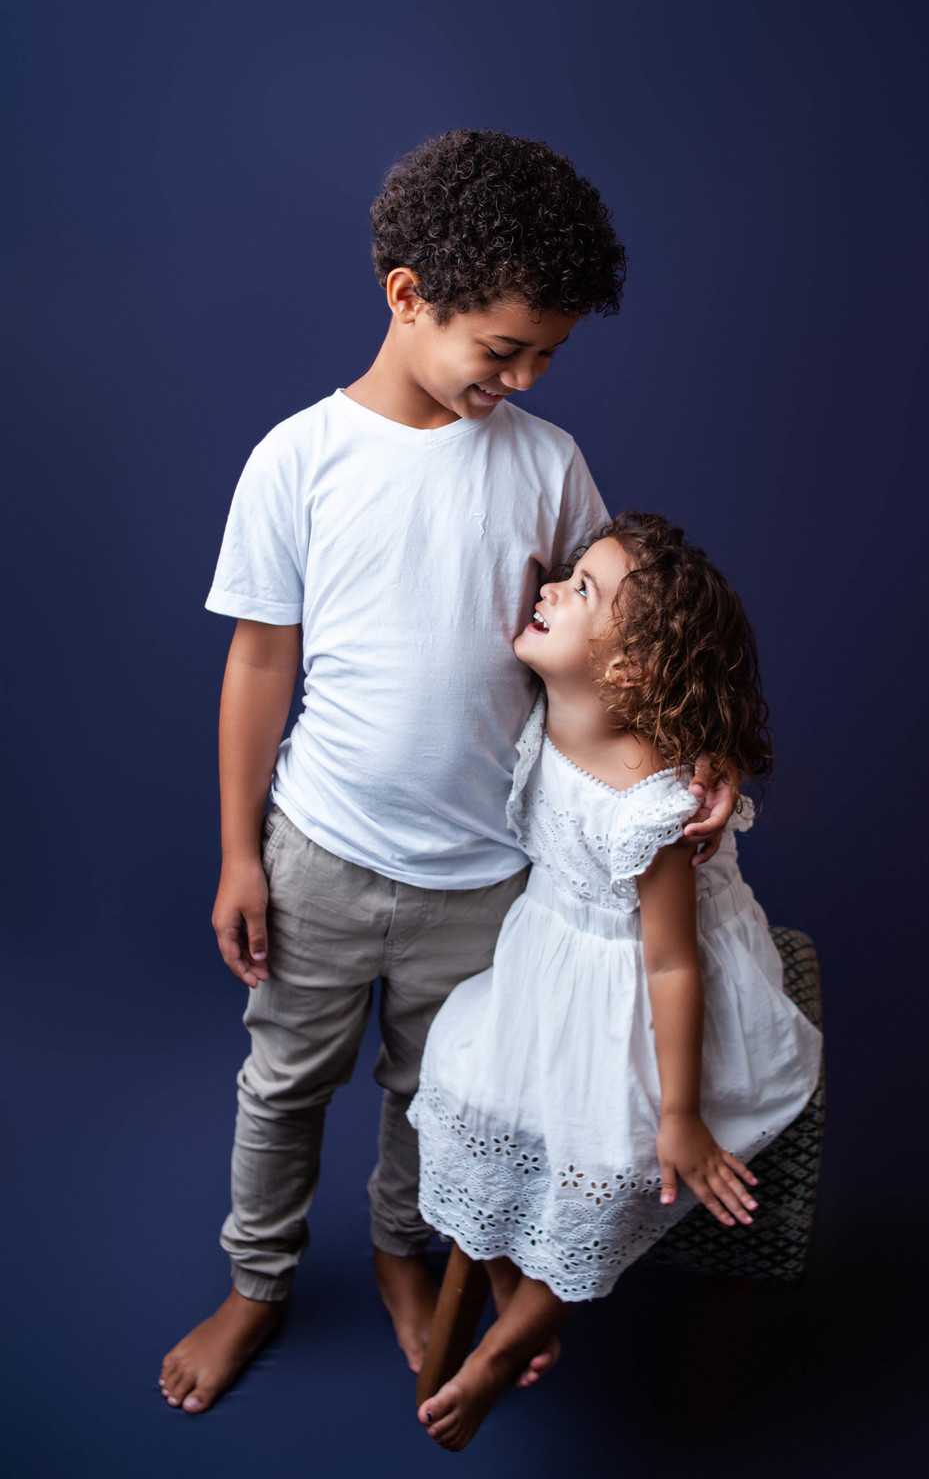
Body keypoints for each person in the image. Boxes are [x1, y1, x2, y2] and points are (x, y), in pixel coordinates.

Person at [158, 132, 740, 1416]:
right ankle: (258, 1281)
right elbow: (260, 667)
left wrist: (703, 765)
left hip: (488, 879)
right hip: (322, 846)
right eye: (503, 350)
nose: (522, 377)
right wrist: (242, 850)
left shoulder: (545, 464)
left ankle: (398, 1250)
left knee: (440, 1096)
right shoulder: (297, 461)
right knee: (286, 1081)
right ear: (407, 295)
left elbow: (625, 642)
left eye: (546, 356)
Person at [408, 512, 825, 1451]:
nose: (549, 590)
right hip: (553, 961)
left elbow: (672, 962)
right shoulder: (556, 701)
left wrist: (679, 1115)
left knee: (612, 1167)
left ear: (630, 671)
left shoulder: (650, 808)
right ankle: (510, 1276)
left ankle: (502, 1349)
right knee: (464, 1087)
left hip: (649, 996)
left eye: (581, 590)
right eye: (567, 578)